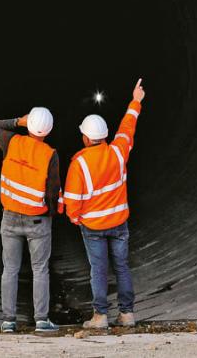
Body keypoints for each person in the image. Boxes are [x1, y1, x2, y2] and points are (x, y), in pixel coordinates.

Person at [63, 78, 145, 330]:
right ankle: (127, 314)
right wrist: (136, 101)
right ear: (105, 136)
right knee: (121, 266)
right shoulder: (118, 151)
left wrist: (75, 218)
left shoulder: (80, 163)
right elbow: (127, 128)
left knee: (98, 270)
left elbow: (72, 201)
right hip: (119, 223)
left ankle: (100, 317)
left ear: (86, 138)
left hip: (94, 227)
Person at [0, 107, 61, 334]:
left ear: (29, 125)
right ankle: (41, 321)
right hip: (37, 220)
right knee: (40, 269)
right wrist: (50, 214)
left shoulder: (12, 142)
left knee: (10, 269)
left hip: (10, 217)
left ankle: (8, 321)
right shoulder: (50, 154)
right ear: (48, 130)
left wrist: (18, 121)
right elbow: (53, 192)